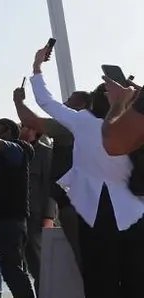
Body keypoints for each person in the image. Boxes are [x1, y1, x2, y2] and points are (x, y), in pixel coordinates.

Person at [29, 43, 144, 297]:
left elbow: (46, 101)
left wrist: (37, 67)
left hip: (96, 212)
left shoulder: (82, 122)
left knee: (99, 280)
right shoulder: (134, 128)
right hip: (134, 211)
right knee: (135, 281)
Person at [14, 84, 90, 270]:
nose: (64, 103)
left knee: (83, 262)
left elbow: (30, 119)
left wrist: (18, 101)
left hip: (74, 204)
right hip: (86, 201)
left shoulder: (70, 125)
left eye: (70, 100)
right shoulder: (98, 125)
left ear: (82, 106)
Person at [0, 118, 36, 298]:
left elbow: (7, 149)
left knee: (12, 269)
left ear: (9, 132)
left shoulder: (19, 148)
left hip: (11, 219)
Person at [18, 121, 56, 293]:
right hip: (18, 215)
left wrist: (49, 216)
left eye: (26, 126)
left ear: (36, 131)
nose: (22, 129)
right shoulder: (17, 151)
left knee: (41, 266)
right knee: (27, 264)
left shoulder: (45, 153)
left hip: (37, 216)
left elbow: (51, 186)